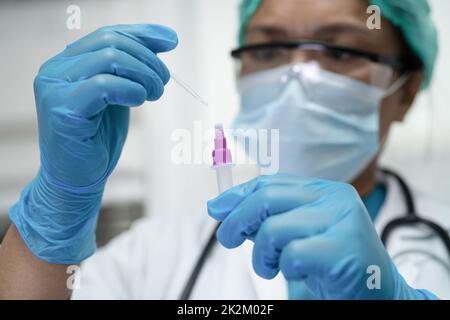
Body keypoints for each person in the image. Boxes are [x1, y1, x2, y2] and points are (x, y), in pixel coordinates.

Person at [0, 0, 449, 300]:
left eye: (338, 50)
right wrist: (57, 208)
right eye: (270, 49)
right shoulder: (156, 255)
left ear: (407, 90)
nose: (296, 76)